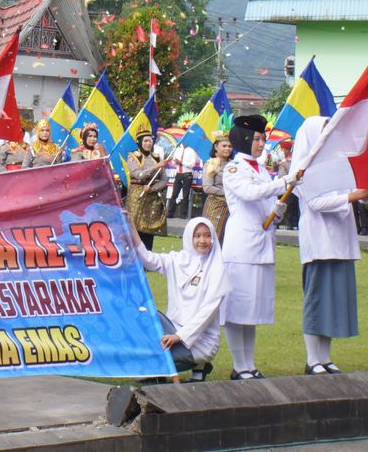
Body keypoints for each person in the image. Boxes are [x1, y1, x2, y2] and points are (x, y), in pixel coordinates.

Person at [290, 116, 368, 374]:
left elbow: (352, 191)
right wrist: (351, 195)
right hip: (320, 242)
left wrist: (365, 190)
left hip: (341, 240)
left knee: (334, 301)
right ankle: (312, 359)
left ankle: (325, 357)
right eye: (323, 132)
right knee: (317, 300)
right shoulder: (304, 168)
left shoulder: (338, 163)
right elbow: (315, 202)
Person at [219, 114, 292, 380]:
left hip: (262, 243)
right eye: (257, 139)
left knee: (253, 310)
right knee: (237, 308)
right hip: (242, 245)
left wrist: (278, 209)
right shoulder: (233, 169)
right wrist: (283, 182)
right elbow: (249, 194)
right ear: (245, 139)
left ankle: (249, 364)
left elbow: (264, 204)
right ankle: (239, 365)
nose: (261, 144)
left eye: (263, 139)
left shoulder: (262, 170)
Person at [132, 216, 230, 381]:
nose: (202, 240)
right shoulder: (177, 260)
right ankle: (189, 367)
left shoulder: (217, 269)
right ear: (189, 237)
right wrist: (131, 228)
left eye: (207, 235)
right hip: (173, 329)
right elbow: (148, 260)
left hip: (200, 340)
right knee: (144, 321)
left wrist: (180, 336)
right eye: (197, 236)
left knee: (155, 363)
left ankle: (199, 364)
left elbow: (206, 314)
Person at [125, 132, 168, 249]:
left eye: (150, 141)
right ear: (139, 142)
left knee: (149, 229)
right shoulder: (133, 156)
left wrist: (153, 188)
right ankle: (133, 258)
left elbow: (164, 180)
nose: (149, 143)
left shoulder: (157, 157)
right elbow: (138, 174)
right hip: (137, 195)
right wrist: (155, 167)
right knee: (134, 227)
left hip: (152, 196)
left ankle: (148, 257)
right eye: (145, 141)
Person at [200, 135, 232, 243]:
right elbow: (207, 188)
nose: (227, 148)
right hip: (215, 206)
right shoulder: (211, 164)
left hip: (232, 206)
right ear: (216, 147)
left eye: (230, 146)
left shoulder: (234, 165)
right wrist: (229, 193)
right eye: (224, 146)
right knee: (212, 239)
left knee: (228, 239)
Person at [168, 142, 202, 219]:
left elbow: (192, 164)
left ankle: (183, 214)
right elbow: (173, 161)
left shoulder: (192, 151)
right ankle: (170, 213)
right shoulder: (178, 149)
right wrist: (175, 162)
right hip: (178, 173)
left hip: (187, 174)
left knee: (185, 195)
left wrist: (182, 162)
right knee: (174, 194)